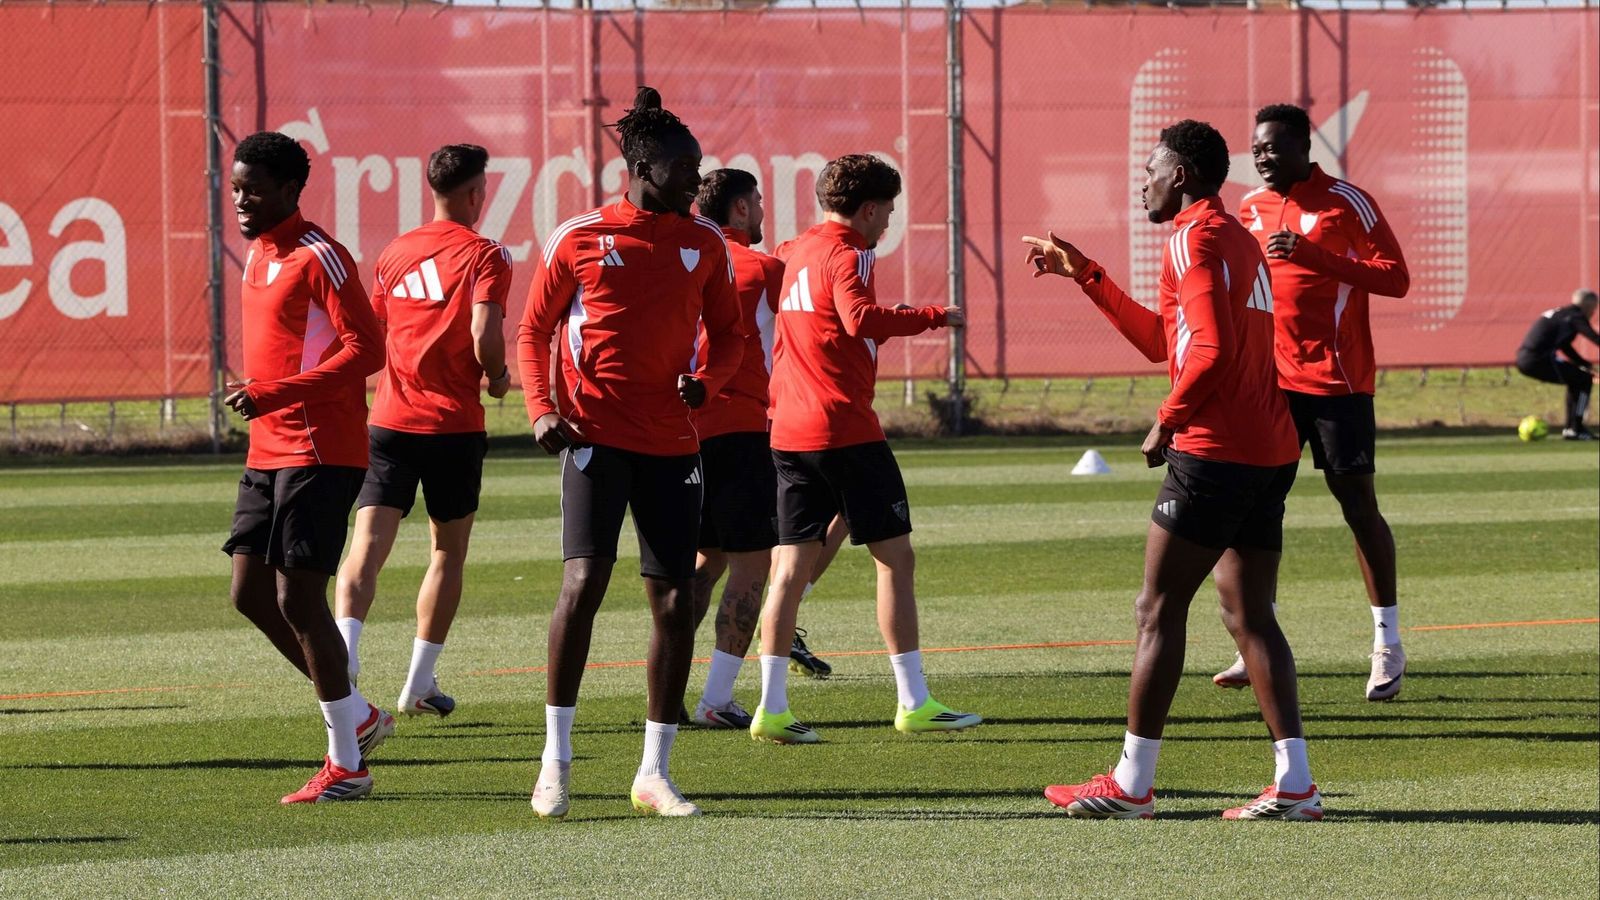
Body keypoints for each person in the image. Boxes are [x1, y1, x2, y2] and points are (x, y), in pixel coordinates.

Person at [1025, 119, 1322, 820]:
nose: (1144, 180)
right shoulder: (1235, 239)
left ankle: (1131, 785)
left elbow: (1209, 353)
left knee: (1157, 609)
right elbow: (1168, 338)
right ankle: (1296, 782)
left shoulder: (1194, 238)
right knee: (1249, 613)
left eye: (1152, 169)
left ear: (1182, 175)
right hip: (1268, 449)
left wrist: (1171, 414)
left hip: (1216, 451)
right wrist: (1088, 276)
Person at [519, 88, 743, 818]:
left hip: (673, 444)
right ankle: (555, 760)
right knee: (582, 585)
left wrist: (708, 382)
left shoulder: (705, 244)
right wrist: (541, 408)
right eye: (685, 167)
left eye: (699, 167)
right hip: (592, 439)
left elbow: (732, 337)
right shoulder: (580, 235)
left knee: (676, 602)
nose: (696, 179)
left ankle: (654, 770)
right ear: (644, 165)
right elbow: (533, 331)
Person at [751, 153, 979, 745]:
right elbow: (857, 318)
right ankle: (913, 701)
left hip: (787, 429)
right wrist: (933, 316)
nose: (889, 223)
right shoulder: (849, 252)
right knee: (895, 559)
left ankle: (771, 709)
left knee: (789, 569)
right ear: (870, 208)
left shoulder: (795, 248)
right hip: (844, 429)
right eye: (890, 211)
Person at [1218, 103, 1412, 702]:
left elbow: (1396, 277)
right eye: (1256, 148)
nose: (1262, 156)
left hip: (1337, 382)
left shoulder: (1346, 202)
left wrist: (1314, 256)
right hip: (1270, 383)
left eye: (1273, 146)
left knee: (1357, 507)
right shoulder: (1249, 207)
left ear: (1305, 147)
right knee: (1256, 506)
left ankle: (1388, 643)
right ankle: (1254, 639)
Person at [220, 131, 393, 804]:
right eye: (235, 187)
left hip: (321, 447)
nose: (241, 200)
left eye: (254, 189)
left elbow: (368, 349)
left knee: (298, 596)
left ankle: (347, 764)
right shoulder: (257, 253)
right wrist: (265, 401)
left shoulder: (322, 255)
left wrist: (275, 394)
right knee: (249, 593)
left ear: (290, 191)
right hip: (269, 447)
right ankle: (356, 712)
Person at [332, 144, 514, 718]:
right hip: (452, 426)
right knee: (447, 552)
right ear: (473, 194)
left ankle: (344, 657)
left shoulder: (395, 252)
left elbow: (376, 329)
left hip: (389, 420)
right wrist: (498, 374)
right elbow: (485, 330)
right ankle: (418, 683)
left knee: (366, 545)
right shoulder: (485, 254)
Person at [684, 168, 784, 729]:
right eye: (760, 202)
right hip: (742, 429)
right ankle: (717, 699)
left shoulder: (682, 262)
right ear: (741, 209)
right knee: (752, 563)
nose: (764, 210)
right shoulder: (762, 268)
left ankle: (667, 687)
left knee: (704, 560)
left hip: (681, 431)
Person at [1516, 289, 1598, 440]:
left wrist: (1585, 364)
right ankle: (1576, 429)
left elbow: (1565, 346)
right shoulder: (1575, 316)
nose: (1593, 313)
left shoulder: (1562, 313)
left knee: (1578, 379)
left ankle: (1572, 429)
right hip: (1538, 359)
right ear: (1588, 305)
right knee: (1584, 379)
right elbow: (1593, 337)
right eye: (1594, 308)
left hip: (1526, 358)